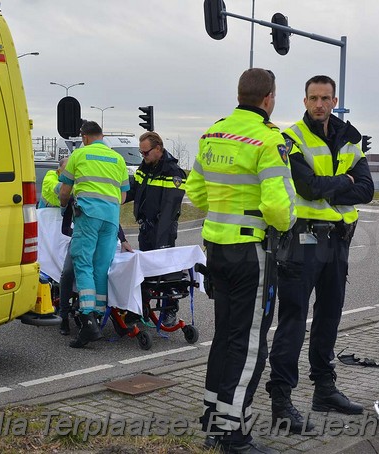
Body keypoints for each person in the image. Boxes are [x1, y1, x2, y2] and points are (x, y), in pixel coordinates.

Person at [185, 68, 296, 454]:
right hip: (252, 252)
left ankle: (214, 417)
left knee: (225, 337)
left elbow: (195, 192)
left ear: (240, 94)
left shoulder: (213, 133)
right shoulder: (268, 140)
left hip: (215, 248)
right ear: (269, 98)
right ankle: (233, 434)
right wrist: (284, 221)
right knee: (249, 344)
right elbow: (279, 207)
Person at [266, 75, 374, 433]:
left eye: (325, 98)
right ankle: (281, 401)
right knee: (293, 321)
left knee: (329, 317)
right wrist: (344, 182)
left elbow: (369, 190)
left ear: (334, 99)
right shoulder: (291, 137)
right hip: (302, 242)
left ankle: (324, 390)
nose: (319, 104)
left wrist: (334, 188)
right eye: (313, 98)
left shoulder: (350, 137)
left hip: (338, 241)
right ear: (304, 100)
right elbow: (307, 188)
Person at [58, 121, 130, 348]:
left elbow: (64, 190)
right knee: (101, 267)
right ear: (102, 136)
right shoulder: (117, 159)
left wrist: (64, 205)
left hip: (88, 214)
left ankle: (87, 318)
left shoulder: (80, 154)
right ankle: (98, 317)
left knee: (82, 262)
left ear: (85, 137)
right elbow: (123, 196)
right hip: (111, 218)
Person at [125, 131, 186, 326]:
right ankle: (141, 307)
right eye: (141, 153)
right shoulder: (145, 167)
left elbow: (169, 209)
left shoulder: (173, 172)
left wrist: (160, 241)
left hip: (164, 230)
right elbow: (134, 189)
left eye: (145, 153)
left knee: (165, 272)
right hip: (146, 229)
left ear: (158, 149)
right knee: (144, 270)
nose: (143, 156)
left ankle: (169, 310)